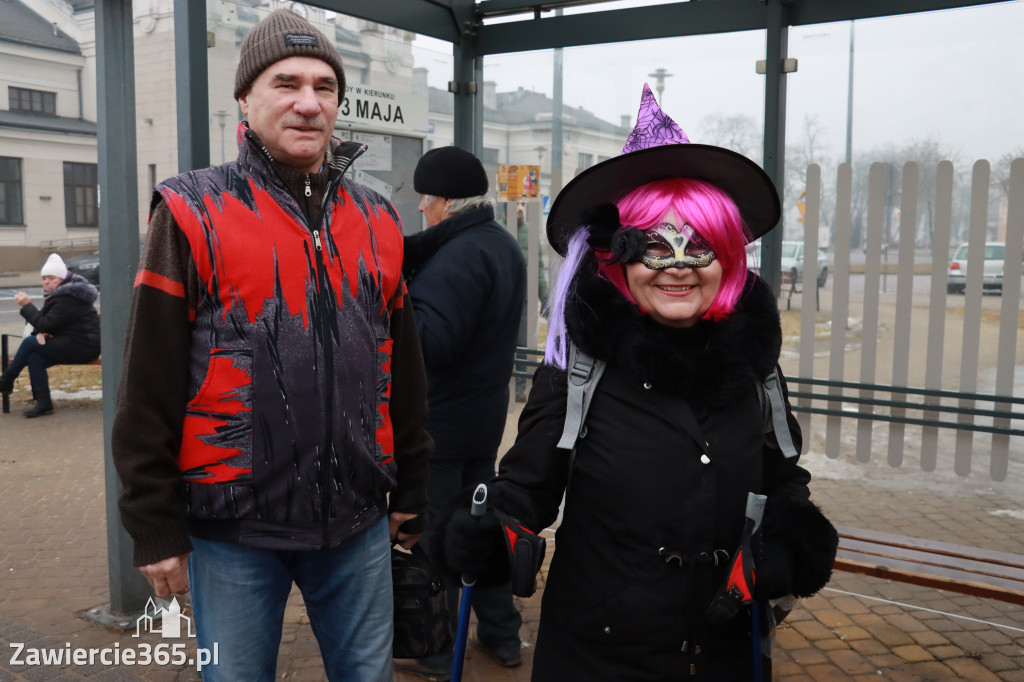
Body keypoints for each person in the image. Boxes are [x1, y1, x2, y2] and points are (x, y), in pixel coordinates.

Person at [437, 84, 838, 680]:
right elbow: (526, 488)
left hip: (724, 653)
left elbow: (783, 482)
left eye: (698, 246)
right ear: (618, 259)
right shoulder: (581, 367)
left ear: (727, 258)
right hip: (599, 656)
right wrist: (490, 533)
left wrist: (784, 549)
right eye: (652, 246)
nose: (677, 266)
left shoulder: (752, 366)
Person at [110, 9, 432, 681]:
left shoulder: (378, 218)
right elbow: (150, 381)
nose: (308, 103)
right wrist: (153, 523)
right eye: (286, 83)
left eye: (325, 86)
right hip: (232, 532)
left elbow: (402, 367)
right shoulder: (191, 211)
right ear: (246, 98)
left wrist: (413, 487)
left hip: (357, 523)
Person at [395, 146, 527, 681]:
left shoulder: (457, 255)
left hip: (441, 428)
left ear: (445, 201)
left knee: (437, 540)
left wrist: (394, 305)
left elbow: (431, 343)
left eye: (425, 201)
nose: (421, 211)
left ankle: (431, 647)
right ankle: (501, 634)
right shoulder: (499, 244)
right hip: (481, 419)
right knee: (481, 528)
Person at [0, 253, 100, 417]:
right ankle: (44, 403)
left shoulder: (69, 297)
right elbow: (49, 323)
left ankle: (7, 379)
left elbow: (45, 323)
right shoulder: (61, 295)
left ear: (62, 279)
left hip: (84, 346)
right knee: (35, 357)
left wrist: (27, 306)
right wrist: (41, 333)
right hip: (71, 342)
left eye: (52, 278)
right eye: (44, 278)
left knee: (29, 343)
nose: (46, 281)